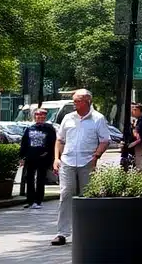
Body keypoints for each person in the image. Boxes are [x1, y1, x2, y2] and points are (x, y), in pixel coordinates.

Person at [52, 89, 109, 246]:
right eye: (74, 101)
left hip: (86, 161)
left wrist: (96, 156)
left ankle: (87, 231)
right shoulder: (68, 118)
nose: (74, 104)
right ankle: (62, 233)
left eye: (77, 101)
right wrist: (56, 159)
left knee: (87, 196)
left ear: (87, 101)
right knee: (65, 194)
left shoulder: (98, 119)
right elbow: (60, 139)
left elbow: (105, 140)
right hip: (68, 161)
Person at [19, 108, 56, 209]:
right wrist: (22, 157)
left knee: (40, 179)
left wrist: (49, 155)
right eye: (38, 116)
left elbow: (53, 143)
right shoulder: (29, 129)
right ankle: (30, 200)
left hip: (43, 158)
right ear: (35, 117)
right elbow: (24, 143)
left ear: (45, 118)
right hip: (30, 158)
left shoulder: (49, 129)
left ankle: (38, 201)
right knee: (29, 179)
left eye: (42, 117)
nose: (40, 118)